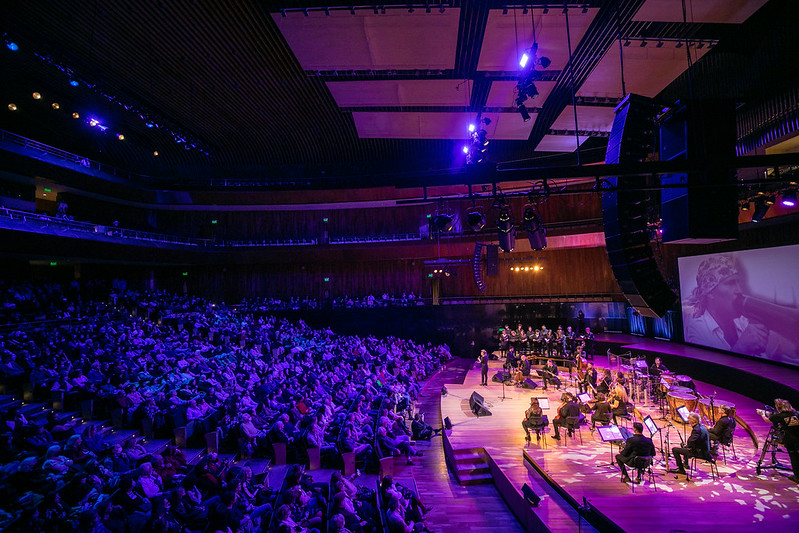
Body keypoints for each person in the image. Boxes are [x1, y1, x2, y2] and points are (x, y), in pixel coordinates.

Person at [683, 254, 796, 361]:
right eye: (730, 283)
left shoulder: (742, 320)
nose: (739, 291)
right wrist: (741, 348)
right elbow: (708, 371)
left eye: (738, 283)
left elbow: (782, 345)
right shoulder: (697, 329)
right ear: (710, 292)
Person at [768, 399, 799, 483]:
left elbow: (769, 419)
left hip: (790, 439)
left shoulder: (779, 416)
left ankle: (797, 477)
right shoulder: (796, 413)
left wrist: (762, 414)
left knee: (794, 457)